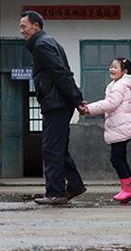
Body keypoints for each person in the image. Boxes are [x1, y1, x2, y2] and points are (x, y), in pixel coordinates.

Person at [20, 10, 86, 205]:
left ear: (36, 26)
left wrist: (76, 99)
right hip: (58, 102)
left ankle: (56, 193)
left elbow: (60, 73)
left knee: (51, 149)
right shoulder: (48, 42)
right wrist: (75, 99)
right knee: (58, 148)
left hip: (56, 104)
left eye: (24, 27)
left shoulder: (41, 45)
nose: (22, 31)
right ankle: (74, 185)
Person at [78, 57, 131, 202]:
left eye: (115, 67)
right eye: (111, 66)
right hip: (121, 126)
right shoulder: (118, 84)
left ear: (124, 71)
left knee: (116, 158)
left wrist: (88, 109)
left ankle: (127, 190)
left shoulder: (119, 86)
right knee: (120, 158)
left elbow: (111, 104)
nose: (111, 69)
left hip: (121, 127)